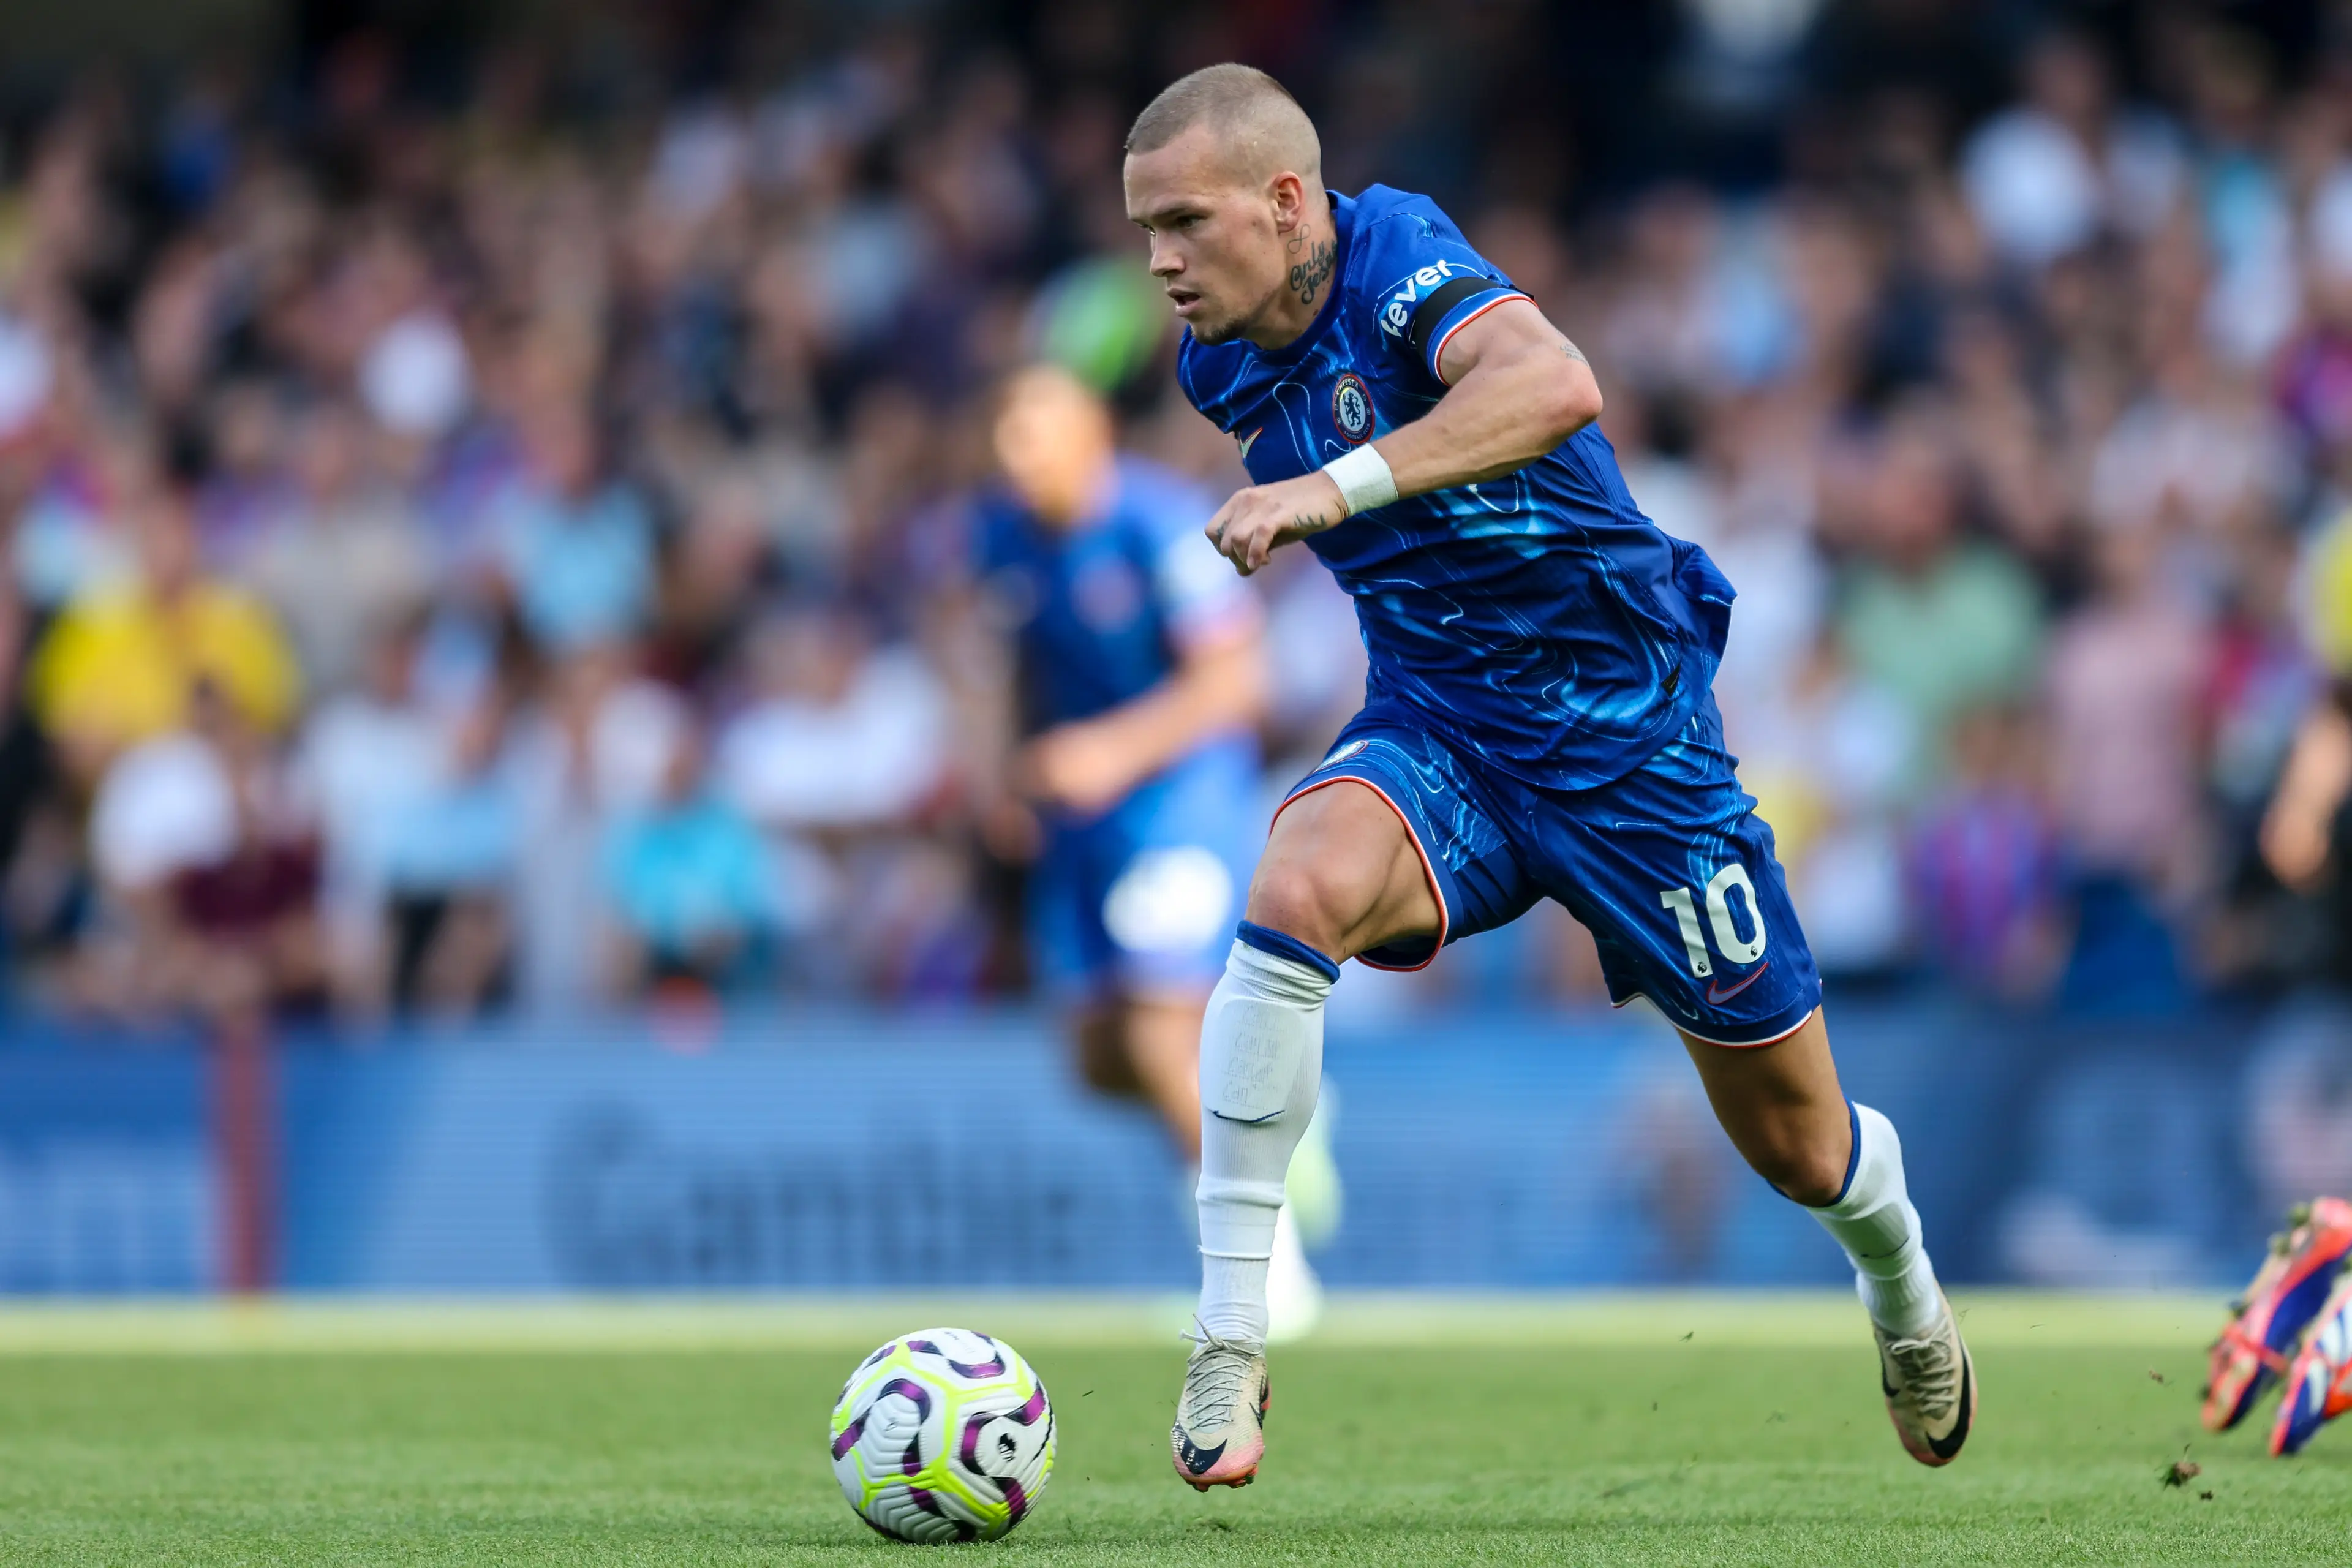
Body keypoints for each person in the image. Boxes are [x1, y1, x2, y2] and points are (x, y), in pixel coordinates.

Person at [1121, 64, 1974, 1490]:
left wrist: (1329, 489)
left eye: (1184, 223)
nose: (1158, 262)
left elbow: (1553, 383)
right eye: (1144, 229)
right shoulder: (1221, 358)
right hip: (1444, 727)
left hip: (1632, 742)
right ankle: (1230, 1329)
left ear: (1286, 203)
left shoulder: (1394, 252)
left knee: (1799, 1145)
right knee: (1295, 879)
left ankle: (1900, 1275)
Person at [972, 364, 1328, 1325]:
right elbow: (1013, 661)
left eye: (1034, 435)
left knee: (1157, 1028)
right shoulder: (1003, 536)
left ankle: (1261, 1279)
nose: (1016, 457)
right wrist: (1006, 771)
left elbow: (1237, 684)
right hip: (1079, 823)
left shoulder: (1162, 525)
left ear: (1091, 438)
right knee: (1096, 1059)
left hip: (1179, 803)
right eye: (1006, 435)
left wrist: (1111, 752)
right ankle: (1276, 1113)